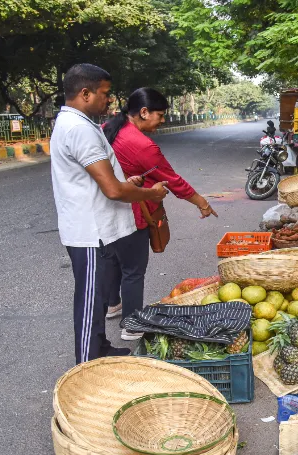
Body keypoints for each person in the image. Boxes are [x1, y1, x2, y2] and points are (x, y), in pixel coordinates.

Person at [50, 63, 169, 364]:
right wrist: (150, 194)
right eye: (104, 94)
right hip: (88, 232)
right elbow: (113, 191)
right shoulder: (78, 129)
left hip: (97, 229)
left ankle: (100, 346)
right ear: (85, 93)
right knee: (90, 302)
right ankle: (87, 366)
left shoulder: (81, 124)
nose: (109, 100)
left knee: (99, 297)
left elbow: (103, 180)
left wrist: (126, 183)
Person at [102, 87, 218, 339]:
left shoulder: (109, 129)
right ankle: (132, 325)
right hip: (132, 212)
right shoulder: (141, 145)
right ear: (143, 112)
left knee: (112, 258)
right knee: (133, 269)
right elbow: (172, 180)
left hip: (106, 209)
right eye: (160, 115)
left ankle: (112, 304)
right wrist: (201, 202)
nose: (163, 120)